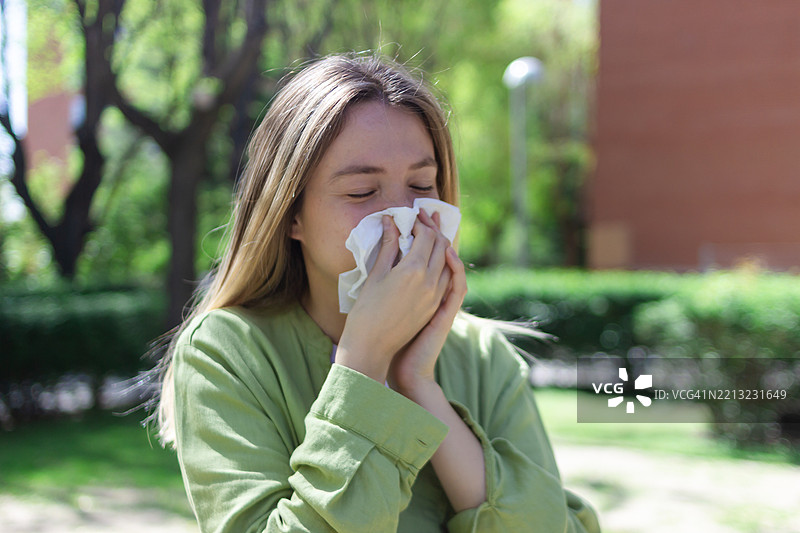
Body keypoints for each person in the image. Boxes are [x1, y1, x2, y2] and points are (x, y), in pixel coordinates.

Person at [154, 53, 601, 533]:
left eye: (420, 184)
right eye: (363, 191)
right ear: (291, 215)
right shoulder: (226, 352)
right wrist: (363, 360)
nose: (401, 217)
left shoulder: (480, 354)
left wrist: (420, 385)